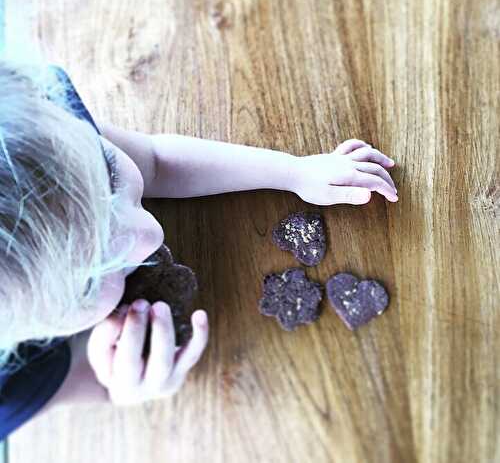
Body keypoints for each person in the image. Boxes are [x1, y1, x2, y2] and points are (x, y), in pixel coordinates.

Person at [0, 58, 398, 440]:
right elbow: (88, 387)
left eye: (109, 172)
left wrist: (295, 172)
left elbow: (154, 159)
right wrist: (116, 384)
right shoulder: (10, 390)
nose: (150, 234)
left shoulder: (34, 129)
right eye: (97, 270)